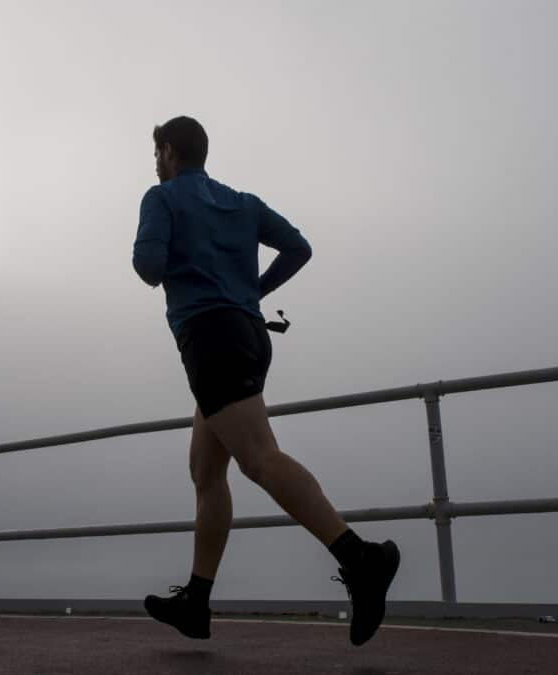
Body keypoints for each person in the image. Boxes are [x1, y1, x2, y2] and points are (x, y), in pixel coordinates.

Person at [132, 116, 401, 647]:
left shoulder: (160, 198)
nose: (154, 163)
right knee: (206, 471)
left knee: (258, 458)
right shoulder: (244, 203)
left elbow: (148, 266)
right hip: (249, 333)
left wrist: (175, 253)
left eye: (156, 153)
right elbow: (298, 247)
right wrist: (252, 290)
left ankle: (360, 558)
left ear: (168, 152)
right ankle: (197, 601)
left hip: (209, 337)